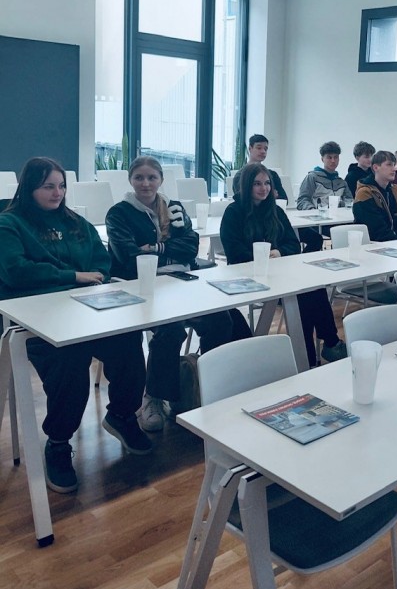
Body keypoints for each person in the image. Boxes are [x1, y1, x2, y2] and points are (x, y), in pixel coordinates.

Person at [0, 157, 149, 494]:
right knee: (70, 359)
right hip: (36, 320)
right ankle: (58, 441)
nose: (57, 193)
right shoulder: (9, 224)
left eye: (61, 186)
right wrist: (74, 276)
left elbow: (101, 261)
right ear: (29, 188)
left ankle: (122, 415)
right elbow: (16, 272)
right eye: (48, 186)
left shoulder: (76, 222)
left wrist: (92, 280)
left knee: (128, 340)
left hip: (87, 311)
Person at [106, 156, 251, 431]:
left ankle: (203, 384)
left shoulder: (173, 208)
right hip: (143, 285)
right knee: (170, 329)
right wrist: (167, 251)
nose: (146, 183)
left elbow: (191, 246)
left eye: (152, 177)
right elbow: (129, 255)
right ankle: (155, 396)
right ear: (130, 180)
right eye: (139, 177)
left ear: (160, 180)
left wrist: (154, 248)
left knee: (221, 320)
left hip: (182, 280)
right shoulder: (119, 213)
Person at [219, 163, 347, 365]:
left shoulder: (275, 211)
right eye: (257, 184)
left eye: (267, 183)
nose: (264, 188)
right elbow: (234, 252)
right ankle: (319, 351)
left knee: (313, 289)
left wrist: (279, 252)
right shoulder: (233, 212)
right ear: (246, 185)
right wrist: (261, 257)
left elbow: (293, 244)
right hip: (247, 276)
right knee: (304, 296)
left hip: (280, 273)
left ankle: (321, 349)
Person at [353, 150, 397, 241]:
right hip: (374, 244)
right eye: (389, 165)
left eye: (394, 165)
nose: (394, 169)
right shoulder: (364, 193)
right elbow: (376, 229)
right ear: (376, 167)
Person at [296, 141, 353, 209]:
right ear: (322, 159)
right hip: (316, 214)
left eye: (336, 157)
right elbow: (302, 200)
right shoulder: (312, 177)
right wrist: (312, 210)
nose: (333, 161)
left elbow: (349, 201)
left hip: (338, 215)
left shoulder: (342, 183)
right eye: (329, 157)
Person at [232, 134, 287, 200]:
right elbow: (243, 199)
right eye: (259, 148)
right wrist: (271, 196)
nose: (263, 151)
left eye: (265, 149)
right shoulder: (240, 176)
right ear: (250, 149)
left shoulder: (273, 175)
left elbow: (284, 199)